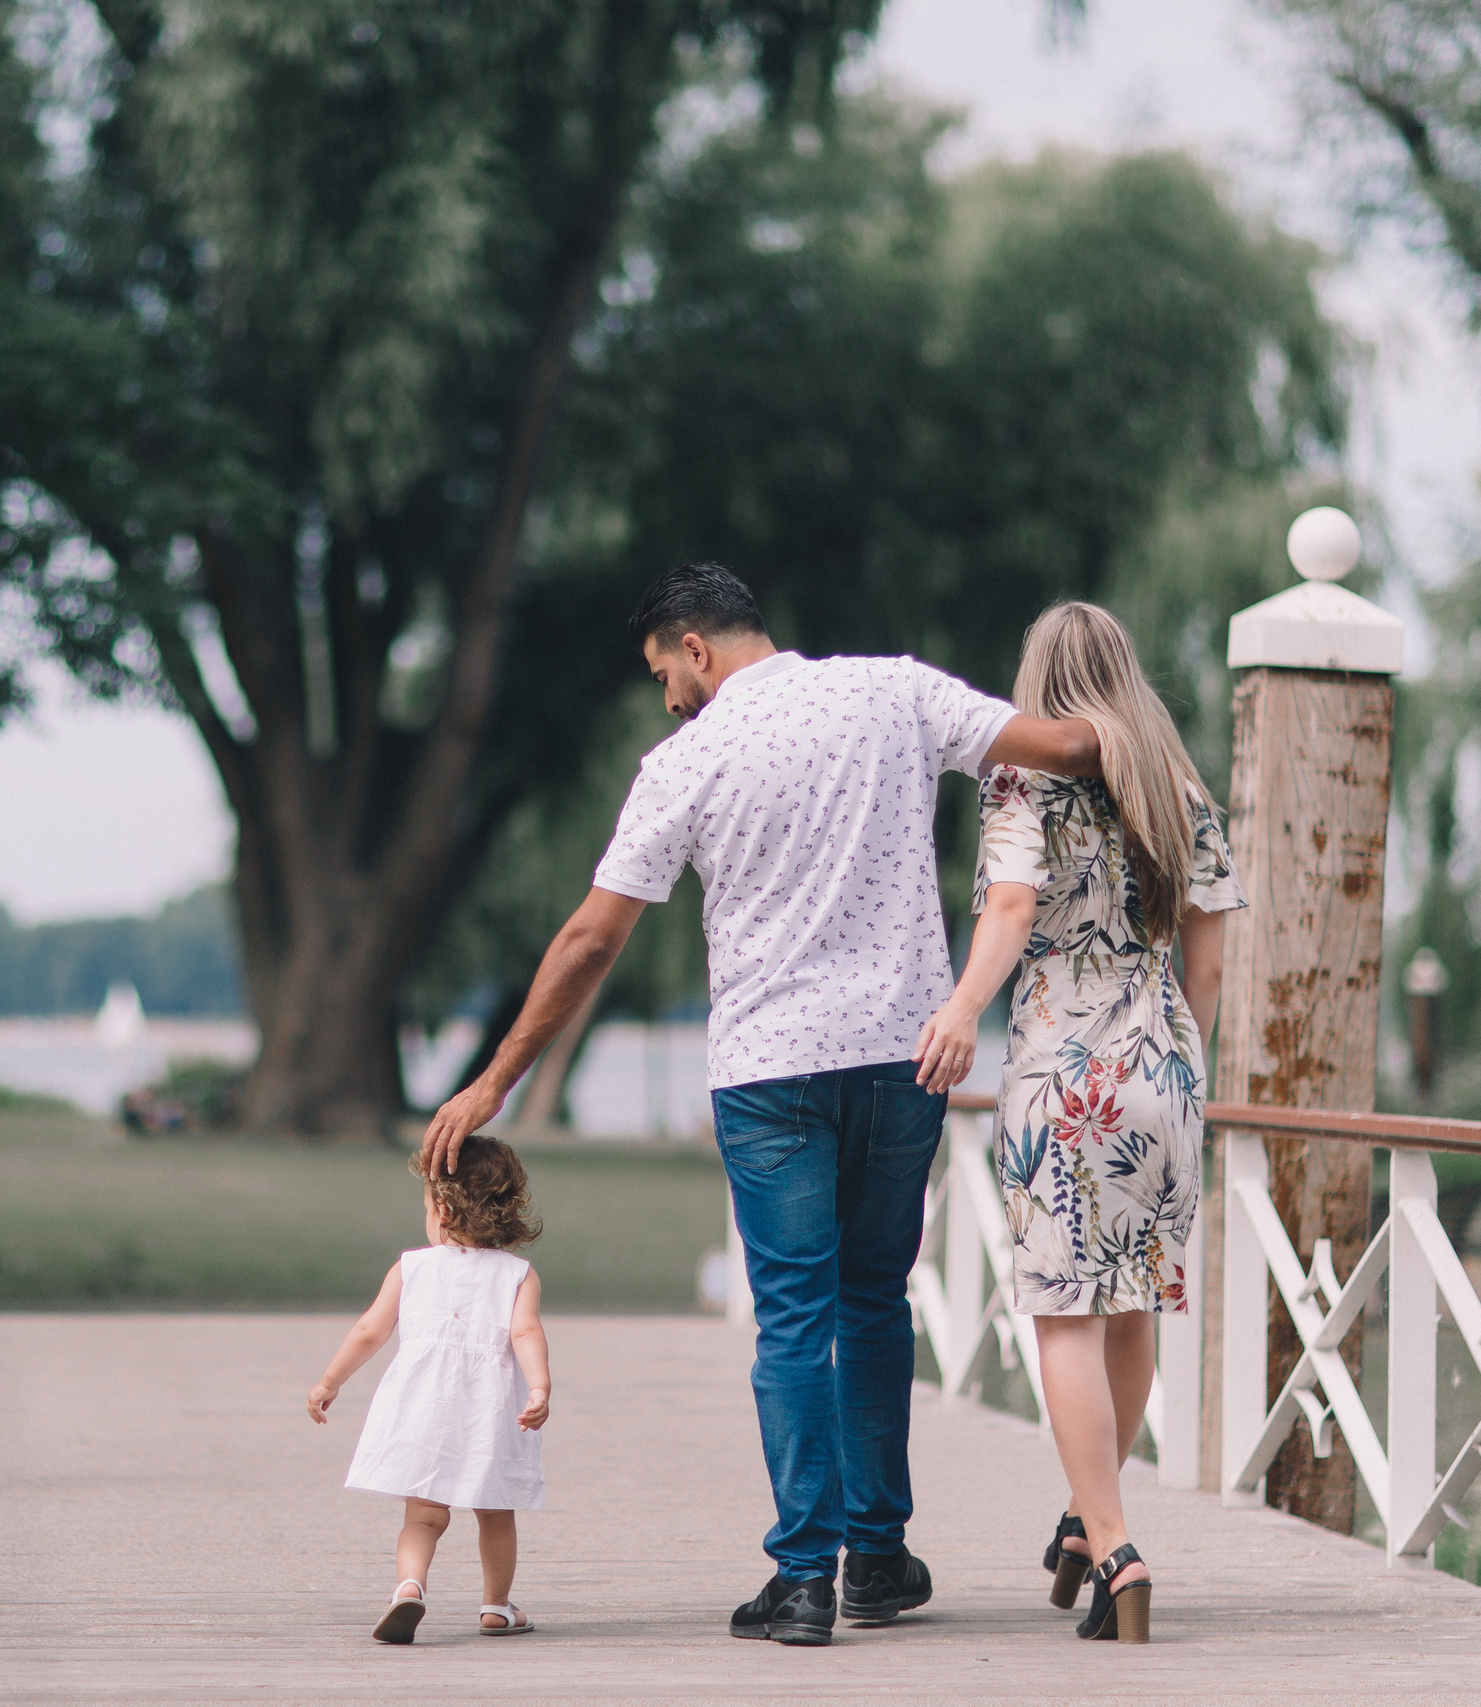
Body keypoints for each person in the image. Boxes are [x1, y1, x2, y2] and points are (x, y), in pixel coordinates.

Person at [420, 563, 1102, 1647]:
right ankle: (876, 1556)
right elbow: (1067, 748)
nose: (664, 698)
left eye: (662, 672)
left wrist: (495, 1079)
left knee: (793, 1315)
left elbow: (593, 937)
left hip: (767, 1071)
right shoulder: (898, 689)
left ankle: (801, 1580)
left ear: (696, 649)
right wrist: (1140, 741)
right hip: (899, 1058)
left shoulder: (684, 762)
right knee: (875, 1300)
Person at [913, 601, 1246, 1645]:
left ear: (1038, 676)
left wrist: (962, 1009)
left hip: (1066, 1070)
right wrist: (1186, 1056)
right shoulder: (1178, 782)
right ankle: (1081, 1520)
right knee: (1132, 1305)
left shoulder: (1027, 774)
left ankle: (1114, 1545)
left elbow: (1010, 909)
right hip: (1166, 1065)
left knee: (1064, 1311)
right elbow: (1209, 949)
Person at [307, 1136, 554, 1644]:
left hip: (423, 1405)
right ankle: (496, 1607)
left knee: (422, 1514)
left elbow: (370, 1330)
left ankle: (409, 1586)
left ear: (442, 1207)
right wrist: (538, 1386)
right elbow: (526, 1333)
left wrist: (330, 1380)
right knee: (494, 1509)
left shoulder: (412, 1266)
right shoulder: (517, 1274)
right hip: (487, 1410)